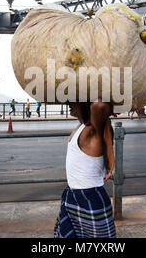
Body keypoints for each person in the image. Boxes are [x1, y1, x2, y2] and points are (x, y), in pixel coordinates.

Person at [54, 100, 116, 238]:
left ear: (85, 103)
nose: (68, 103)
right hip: (72, 197)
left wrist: (90, 93)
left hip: (90, 199)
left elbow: (100, 105)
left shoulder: (93, 132)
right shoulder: (81, 127)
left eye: (74, 100)